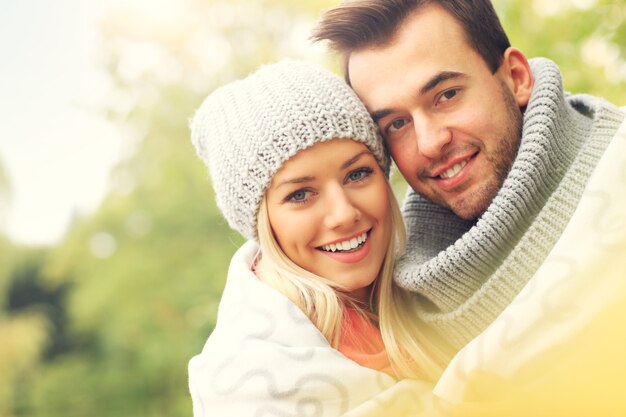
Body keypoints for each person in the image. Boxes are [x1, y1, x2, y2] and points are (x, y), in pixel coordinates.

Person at [312, 0, 626, 413]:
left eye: (446, 95)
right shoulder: (396, 311)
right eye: (396, 124)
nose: (428, 143)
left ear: (516, 77)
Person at [187, 60, 453, 417]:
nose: (344, 213)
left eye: (358, 174)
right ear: (263, 222)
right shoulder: (252, 381)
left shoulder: (445, 285)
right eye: (300, 195)